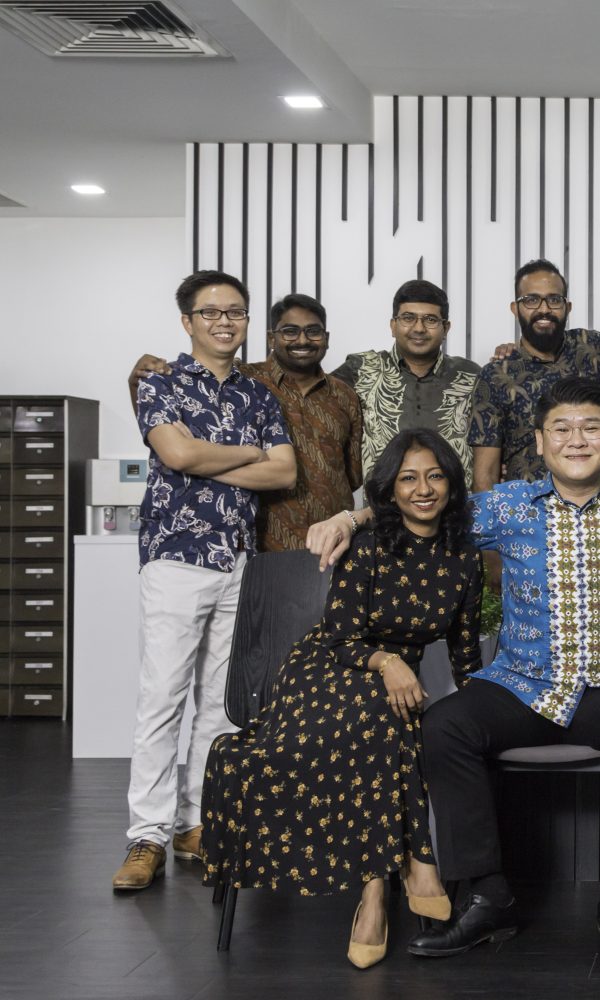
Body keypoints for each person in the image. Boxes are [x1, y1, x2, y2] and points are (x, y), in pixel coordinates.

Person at [200, 428, 483, 969]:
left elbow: (465, 653)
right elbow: (340, 637)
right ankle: (412, 868)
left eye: (434, 476)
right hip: (327, 672)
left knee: (390, 712)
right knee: (390, 705)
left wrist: (481, 711)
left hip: (389, 688)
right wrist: (390, 662)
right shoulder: (371, 546)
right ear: (391, 490)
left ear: (451, 483)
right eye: (408, 479)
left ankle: (375, 890)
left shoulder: (464, 560)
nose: (423, 489)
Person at [112, 269, 296, 891]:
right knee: (163, 697)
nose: (225, 321)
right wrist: (246, 453)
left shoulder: (259, 395)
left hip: (238, 559)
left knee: (220, 703)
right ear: (187, 321)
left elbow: (284, 473)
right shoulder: (158, 382)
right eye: (211, 312)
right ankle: (146, 834)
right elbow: (177, 455)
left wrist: (205, 457)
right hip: (175, 555)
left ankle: (195, 823)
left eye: (236, 312)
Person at [407, 375, 600, 956]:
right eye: (562, 429)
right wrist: (350, 519)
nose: (577, 440)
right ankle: (489, 900)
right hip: (524, 688)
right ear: (539, 442)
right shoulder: (511, 504)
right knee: (445, 726)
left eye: (591, 427)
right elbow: (423, 509)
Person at [128, 292, 362, 551]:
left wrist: (197, 466)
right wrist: (137, 381)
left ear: (326, 338)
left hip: (332, 543)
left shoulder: (345, 396)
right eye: (290, 331)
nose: (302, 340)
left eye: (313, 331)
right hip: (262, 543)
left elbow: (353, 475)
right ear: (271, 338)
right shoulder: (244, 382)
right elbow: (162, 430)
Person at [332, 279, 480, 485]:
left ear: (446, 328)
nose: (419, 328)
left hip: (458, 501)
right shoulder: (360, 369)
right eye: (408, 318)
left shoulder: (470, 375)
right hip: (382, 502)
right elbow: (313, 399)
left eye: (430, 319)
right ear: (393, 326)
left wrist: (508, 358)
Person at [469, 259, 600, 491]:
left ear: (568, 307)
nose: (544, 309)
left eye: (554, 299)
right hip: (526, 506)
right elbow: (485, 474)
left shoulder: (592, 349)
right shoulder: (497, 375)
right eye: (531, 300)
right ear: (515, 308)